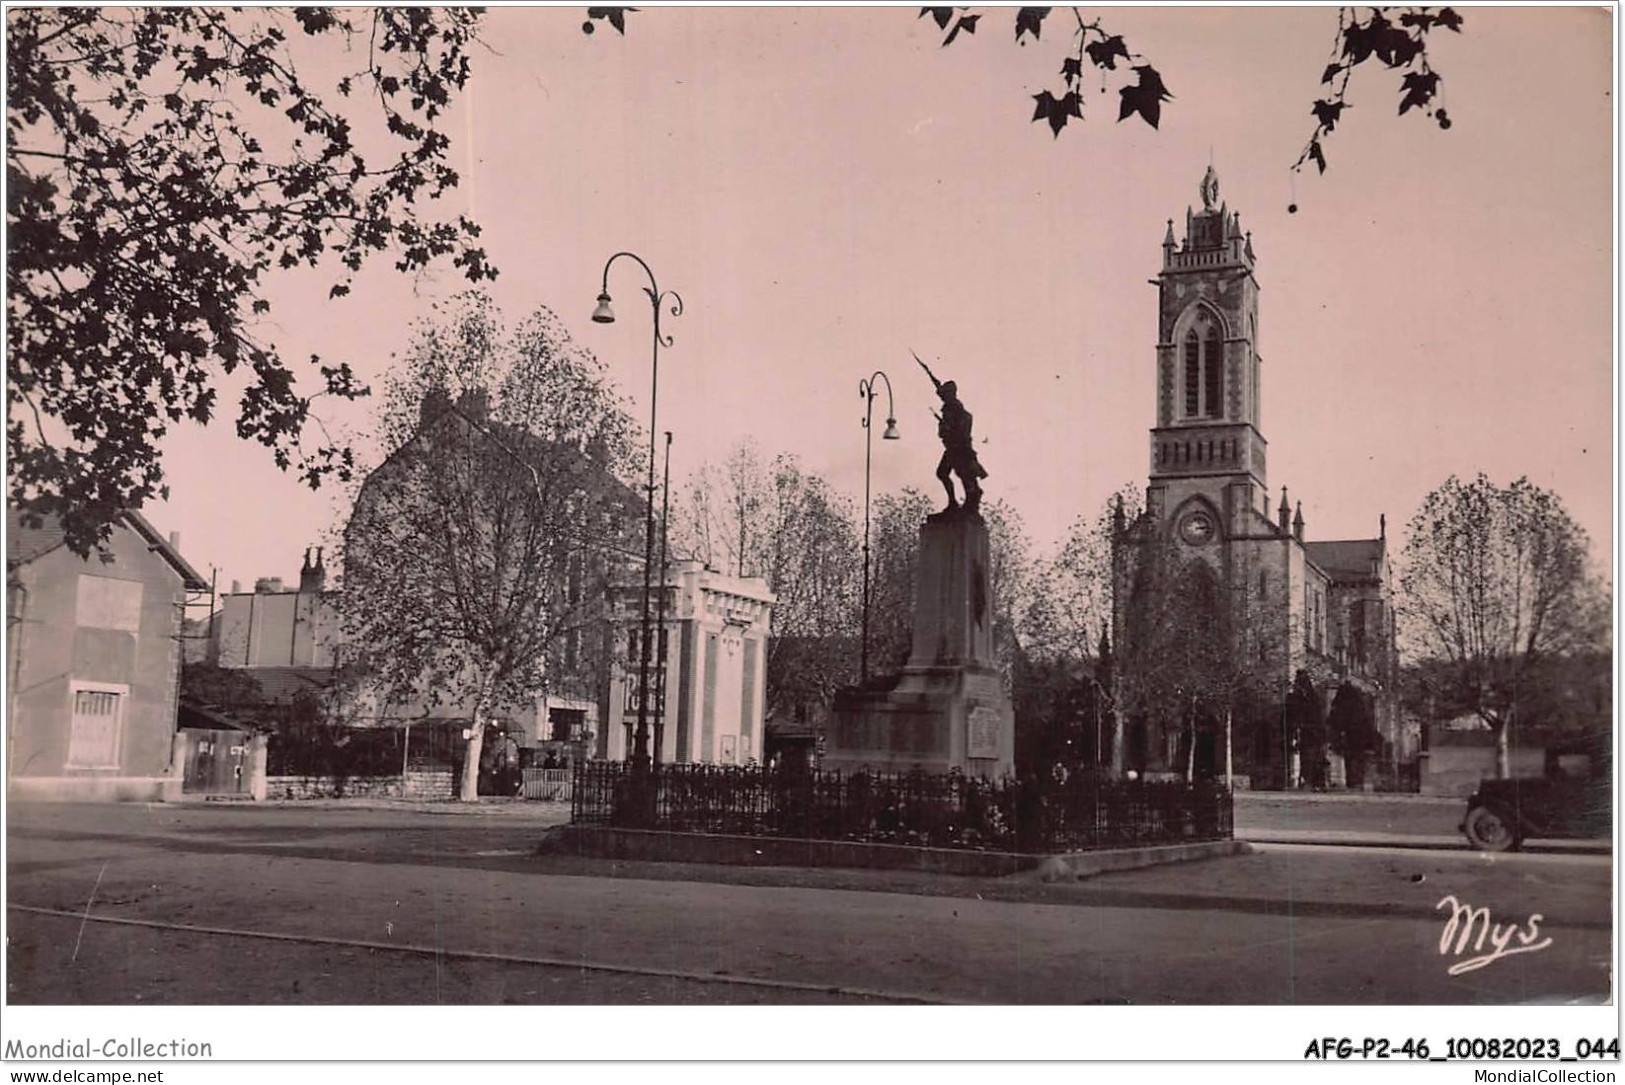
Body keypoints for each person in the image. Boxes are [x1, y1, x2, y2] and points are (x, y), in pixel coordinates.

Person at [914, 352, 988, 516]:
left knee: (963, 475)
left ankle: (969, 502)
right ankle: (955, 503)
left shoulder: (954, 408)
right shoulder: (951, 406)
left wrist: (947, 428)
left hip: (959, 448)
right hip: (953, 448)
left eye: (945, 393)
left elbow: (959, 427)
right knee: (946, 473)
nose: (941, 396)